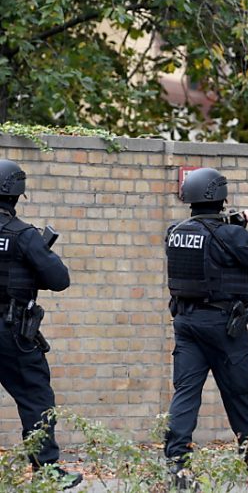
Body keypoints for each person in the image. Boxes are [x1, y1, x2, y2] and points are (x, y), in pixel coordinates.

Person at [164, 167, 248, 488]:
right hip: (223, 325)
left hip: (185, 322)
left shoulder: (176, 231)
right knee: (240, 393)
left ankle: (177, 463)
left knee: (186, 393)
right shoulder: (232, 234)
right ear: (218, 196)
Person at [0, 159, 82, 489]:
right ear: (17, 193)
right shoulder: (23, 235)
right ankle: (46, 469)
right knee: (36, 399)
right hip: (11, 330)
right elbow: (59, 279)